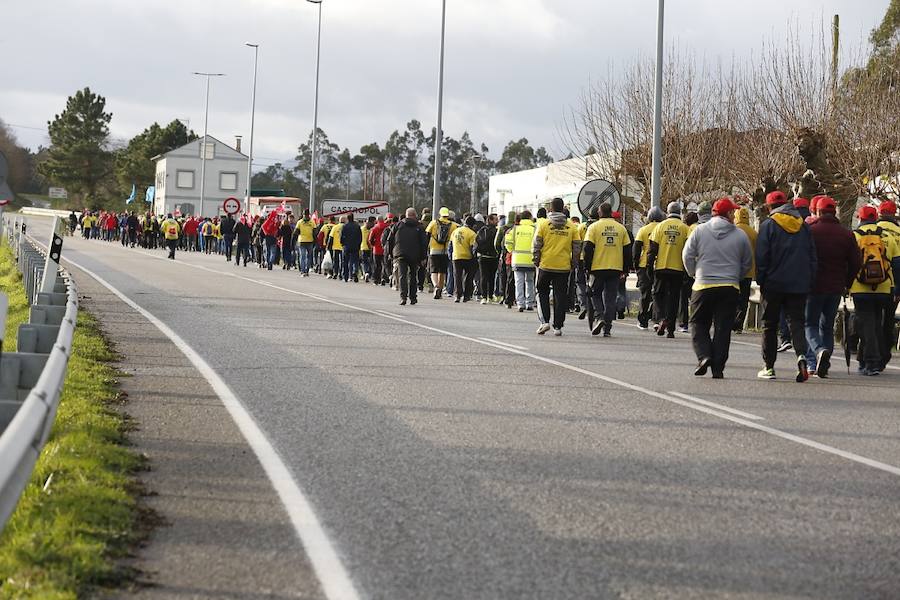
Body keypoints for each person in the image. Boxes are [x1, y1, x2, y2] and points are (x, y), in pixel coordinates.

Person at [682, 198, 752, 379]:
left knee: (698, 323)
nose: (735, 215)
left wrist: (693, 273)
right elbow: (747, 262)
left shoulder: (699, 231)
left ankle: (704, 355)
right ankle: (718, 367)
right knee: (723, 328)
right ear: (728, 214)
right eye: (733, 212)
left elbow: (687, 255)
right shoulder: (740, 235)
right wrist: (737, 277)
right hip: (729, 286)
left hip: (703, 284)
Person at [755, 191, 817, 382]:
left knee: (769, 325)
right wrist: (809, 279)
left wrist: (761, 279)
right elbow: (812, 257)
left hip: (773, 283)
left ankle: (769, 366)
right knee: (796, 322)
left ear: (768, 207)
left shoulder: (768, 225)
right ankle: (801, 357)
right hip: (798, 284)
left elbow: (762, 256)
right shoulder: (804, 227)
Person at [802, 197, 859, 377]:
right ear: (835, 212)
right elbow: (856, 263)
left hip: (814, 286)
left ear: (818, 212)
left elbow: (802, 258)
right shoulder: (847, 234)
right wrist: (847, 282)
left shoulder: (810, 231)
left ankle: (818, 352)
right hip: (836, 287)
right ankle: (824, 365)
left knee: (809, 323)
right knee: (826, 327)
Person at [851, 205, 899, 375]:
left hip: (860, 286)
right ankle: (870, 360)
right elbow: (897, 264)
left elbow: (849, 263)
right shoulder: (887, 236)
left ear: (860, 218)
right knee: (876, 322)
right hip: (884, 286)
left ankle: (871, 362)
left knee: (867, 324)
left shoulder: (855, 236)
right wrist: (897, 288)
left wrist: (846, 284)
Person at [532, 198, 581, 336]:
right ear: (563, 209)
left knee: (542, 291)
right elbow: (577, 246)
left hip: (545, 265)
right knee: (560, 295)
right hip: (563, 266)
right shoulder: (571, 226)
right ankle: (558, 326)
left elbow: (536, 244)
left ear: (551, 209)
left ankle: (544, 322)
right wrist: (574, 262)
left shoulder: (544, 224)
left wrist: (536, 259)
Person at [582, 202, 631, 337]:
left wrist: (587, 267)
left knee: (594, 293)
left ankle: (599, 316)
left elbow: (587, 248)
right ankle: (607, 328)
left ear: (599, 212)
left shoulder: (593, 227)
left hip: (597, 268)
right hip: (615, 267)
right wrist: (625, 269)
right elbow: (627, 251)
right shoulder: (621, 229)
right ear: (611, 212)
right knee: (610, 298)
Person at [648, 202, 691, 338]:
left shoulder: (660, 227)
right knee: (674, 298)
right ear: (680, 213)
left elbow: (652, 249)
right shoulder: (685, 228)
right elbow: (689, 251)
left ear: (667, 212)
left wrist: (649, 267)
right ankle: (671, 329)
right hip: (678, 269)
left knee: (657, 295)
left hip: (661, 267)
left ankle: (661, 318)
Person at [876, 199, 900, 369]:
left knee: (873, 317)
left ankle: (871, 351)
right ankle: (884, 353)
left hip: (870, 282)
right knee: (888, 319)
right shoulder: (899, 232)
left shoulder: (873, 231)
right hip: (893, 284)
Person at [633, 206, 665, 330]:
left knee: (645, 294)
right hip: (660, 264)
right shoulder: (663, 228)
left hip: (644, 265)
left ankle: (642, 320)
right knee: (658, 294)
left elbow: (636, 249)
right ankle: (657, 319)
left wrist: (635, 264)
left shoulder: (643, 230)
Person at [393, 208, 429, 305]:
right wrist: (423, 257)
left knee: (402, 276)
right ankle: (413, 297)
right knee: (413, 275)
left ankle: (403, 297)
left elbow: (390, 240)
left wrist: (391, 253)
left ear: (406, 215)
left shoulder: (398, 225)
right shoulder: (419, 227)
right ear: (415, 215)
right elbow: (424, 243)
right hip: (414, 255)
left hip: (400, 253)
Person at [733, 207, 758, 333]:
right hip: (748, 271)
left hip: (733, 271)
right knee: (744, 299)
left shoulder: (732, 231)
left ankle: (730, 320)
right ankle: (739, 324)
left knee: (732, 297)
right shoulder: (753, 233)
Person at [425, 207, 458, 299]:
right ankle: (440, 287)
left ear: (440, 214)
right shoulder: (453, 225)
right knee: (442, 271)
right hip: (445, 250)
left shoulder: (433, 223)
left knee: (433, 271)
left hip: (434, 249)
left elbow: (427, 234)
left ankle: (436, 287)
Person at [506, 210, 536, 312]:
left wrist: (512, 251)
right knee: (530, 281)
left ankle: (520, 304)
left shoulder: (514, 229)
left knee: (518, 282)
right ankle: (530, 303)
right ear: (530, 218)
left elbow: (508, 242)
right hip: (531, 259)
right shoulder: (534, 229)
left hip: (517, 259)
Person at [451, 217, 478, 302]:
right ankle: (466, 295)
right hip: (467, 257)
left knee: (457, 276)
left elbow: (451, 244)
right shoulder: (472, 234)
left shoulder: (455, 231)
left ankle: (457, 295)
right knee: (468, 277)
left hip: (456, 256)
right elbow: (473, 247)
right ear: (472, 225)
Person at [475, 214, 499, 304]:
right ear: (491, 220)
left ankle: (484, 297)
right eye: (496, 220)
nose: (497, 221)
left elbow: (477, 241)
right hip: (493, 257)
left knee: (483, 277)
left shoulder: (482, 230)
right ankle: (490, 296)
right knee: (492, 277)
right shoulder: (496, 231)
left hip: (483, 256)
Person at [340, 212, 362, 282]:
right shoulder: (357, 226)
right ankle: (354, 272)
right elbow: (360, 237)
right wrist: (358, 244)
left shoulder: (345, 226)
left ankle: (346, 276)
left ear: (347, 218)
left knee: (346, 261)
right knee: (355, 260)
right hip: (355, 246)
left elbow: (342, 237)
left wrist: (342, 244)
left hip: (347, 246)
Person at [294, 209, 316, 276]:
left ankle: (306, 270)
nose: (305, 216)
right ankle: (303, 271)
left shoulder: (312, 222)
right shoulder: (300, 222)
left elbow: (315, 232)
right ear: (303, 215)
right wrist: (294, 240)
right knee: (302, 256)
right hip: (302, 241)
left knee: (308, 257)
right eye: (304, 215)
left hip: (310, 241)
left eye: (306, 215)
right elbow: (296, 232)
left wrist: (315, 241)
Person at [369, 215, 388, 285]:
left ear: (377, 220)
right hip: (385, 249)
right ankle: (383, 278)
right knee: (384, 264)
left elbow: (370, 239)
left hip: (376, 249)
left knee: (377, 265)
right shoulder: (387, 227)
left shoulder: (374, 228)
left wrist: (373, 245)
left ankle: (376, 279)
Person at [361, 216, 375, 282]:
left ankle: (366, 272)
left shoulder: (362, 228)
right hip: (371, 247)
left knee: (364, 262)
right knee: (371, 261)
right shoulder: (372, 229)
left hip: (363, 247)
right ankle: (371, 274)